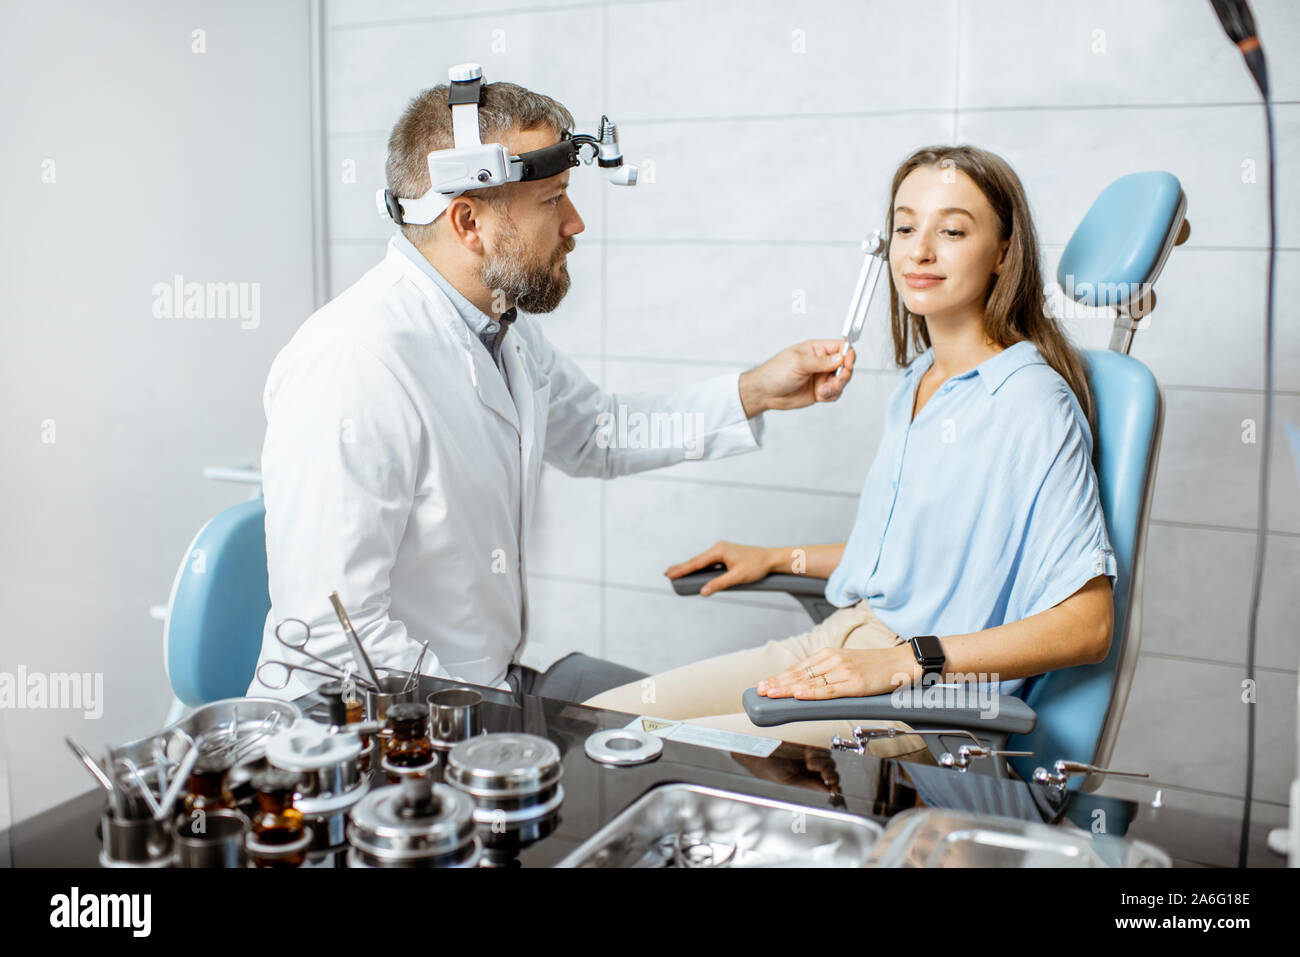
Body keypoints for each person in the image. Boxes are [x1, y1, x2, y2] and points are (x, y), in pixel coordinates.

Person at [247, 80, 859, 704]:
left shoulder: (498, 326)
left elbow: (597, 432)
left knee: (674, 727)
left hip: (479, 688)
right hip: (376, 724)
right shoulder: (353, 362)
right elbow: (334, 637)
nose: (575, 223)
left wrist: (756, 391)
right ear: (469, 222)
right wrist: (489, 724)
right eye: (553, 199)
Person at [583, 145, 1118, 760]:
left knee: (676, 754)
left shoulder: (1030, 401)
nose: (919, 251)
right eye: (905, 228)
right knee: (597, 724)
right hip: (846, 640)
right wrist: (779, 557)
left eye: (951, 231)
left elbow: (1089, 626)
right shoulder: (921, 380)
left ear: (1003, 252)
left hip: (930, 698)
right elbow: (916, 558)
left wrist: (906, 661)